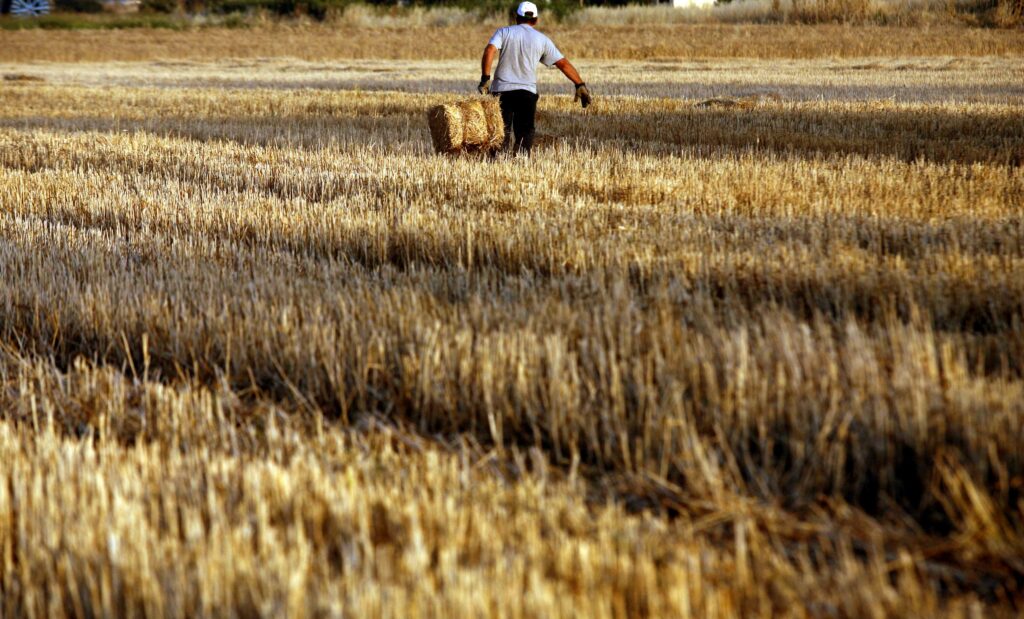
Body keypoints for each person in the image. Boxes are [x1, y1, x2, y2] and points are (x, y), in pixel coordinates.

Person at [478, 1, 591, 155]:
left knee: (499, 135)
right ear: (536, 20)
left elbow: (489, 50)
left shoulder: (504, 32)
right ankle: (521, 164)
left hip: (501, 92)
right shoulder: (542, 39)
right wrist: (580, 84)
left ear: (516, 17)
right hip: (527, 93)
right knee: (525, 134)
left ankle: (496, 165)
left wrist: (485, 78)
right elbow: (563, 63)